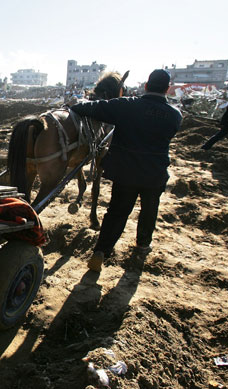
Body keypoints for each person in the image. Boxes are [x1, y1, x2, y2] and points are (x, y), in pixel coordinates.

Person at [70, 69, 182, 272]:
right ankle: (142, 246)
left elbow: (94, 108)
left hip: (126, 173)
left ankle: (100, 252)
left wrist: (75, 105)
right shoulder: (175, 116)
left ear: (146, 86)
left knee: (117, 213)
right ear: (167, 89)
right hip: (155, 173)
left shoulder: (127, 106)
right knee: (150, 210)